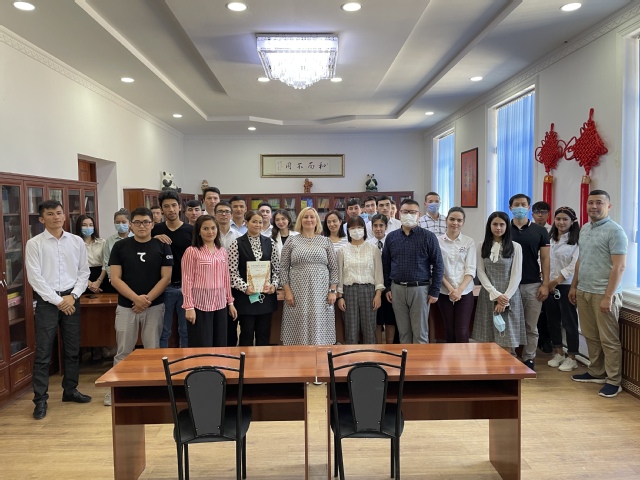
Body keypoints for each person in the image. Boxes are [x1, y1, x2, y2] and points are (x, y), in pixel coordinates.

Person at [26, 200, 91, 419]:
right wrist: (58, 301)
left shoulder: (76, 241)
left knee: (72, 349)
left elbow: (84, 272)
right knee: (44, 352)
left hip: (72, 298)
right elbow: (35, 278)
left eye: (59, 213)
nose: (56, 217)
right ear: (41, 219)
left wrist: (73, 296)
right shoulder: (34, 244)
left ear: (64, 216)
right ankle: (40, 400)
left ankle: (70, 390)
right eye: (50, 214)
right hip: (48, 301)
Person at [106, 207, 173, 406]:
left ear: (153, 224)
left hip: (154, 306)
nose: (141, 226)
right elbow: (115, 278)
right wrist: (136, 299)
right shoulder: (120, 246)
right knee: (123, 351)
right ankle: (117, 389)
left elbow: (166, 278)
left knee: (153, 350)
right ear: (131, 225)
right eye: (137, 222)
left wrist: (146, 300)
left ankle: (154, 389)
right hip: (126, 307)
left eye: (146, 222)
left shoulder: (162, 246)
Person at [569, 190, 627, 398]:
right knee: (591, 336)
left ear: (608, 206)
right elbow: (581, 260)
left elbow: (619, 267)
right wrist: (574, 286)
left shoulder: (615, 231)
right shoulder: (585, 229)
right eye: (590, 202)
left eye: (599, 203)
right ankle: (596, 372)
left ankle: (614, 381)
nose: (594, 206)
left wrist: (608, 296)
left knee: (608, 340)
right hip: (584, 291)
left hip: (603, 294)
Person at [382, 198, 443, 344]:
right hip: (397, 289)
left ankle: (420, 360)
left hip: (420, 289)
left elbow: (438, 265)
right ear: (399, 213)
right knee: (403, 333)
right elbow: (386, 264)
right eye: (405, 212)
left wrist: (435, 290)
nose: (408, 215)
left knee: (420, 333)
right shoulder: (391, 237)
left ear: (419, 215)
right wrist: (388, 287)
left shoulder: (428, 237)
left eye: (412, 212)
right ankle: (406, 359)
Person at [280, 207, 339, 345]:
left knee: (319, 325)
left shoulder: (326, 241)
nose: (309, 220)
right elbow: (283, 268)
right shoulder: (291, 241)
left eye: (312, 217)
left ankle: (320, 355)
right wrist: (287, 292)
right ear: (300, 220)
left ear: (317, 220)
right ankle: (298, 356)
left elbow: (334, 268)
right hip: (297, 292)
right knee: (298, 324)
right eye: (305, 217)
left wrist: (332, 291)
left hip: (321, 293)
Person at [472, 212, 526, 352]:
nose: (498, 228)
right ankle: (489, 365)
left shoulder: (515, 247)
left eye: (502, 224)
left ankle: (507, 364)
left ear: (507, 226)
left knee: (507, 336)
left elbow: (516, 275)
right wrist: (495, 294)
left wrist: (504, 299)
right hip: (488, 294)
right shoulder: (481, 245)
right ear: (489, 226)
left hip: (509, 295)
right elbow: (480, 272)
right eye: (495, 224)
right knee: (487, 336)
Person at [181, 215, 237, 347]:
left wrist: (230, 302)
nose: (210, 232)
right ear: (199, 231)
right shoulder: (192, 251)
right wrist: (189, 307)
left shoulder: (222, 251)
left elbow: (226, 278)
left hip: (220, 304)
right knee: (202, 344)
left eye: (213, 228)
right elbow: (187, 280)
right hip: (200, 305)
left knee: (220, 343)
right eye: (205, 228)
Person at [509, 193, 550, 371]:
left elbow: (546, 259)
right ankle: (510, 356)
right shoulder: (503, 228)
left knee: (531, 326)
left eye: (523, 204)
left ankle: (529, 358)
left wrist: (545, 284)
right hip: (508, 285)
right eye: (516, 204)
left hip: (532, 283)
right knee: (509, 324)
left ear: (528, 207)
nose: (520, 207)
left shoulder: (540, 231)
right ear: (510, 208)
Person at [228, 211, 280, 346]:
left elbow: (276, 269)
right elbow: (231, 272)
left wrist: (274, 285)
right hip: (245, 298)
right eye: (254, 221)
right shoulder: (236, 243)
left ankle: (263, 360)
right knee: (247, 334)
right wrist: (245, 288)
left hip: (266, 296)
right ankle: (245, 360)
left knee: (264, 335)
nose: (257, 225)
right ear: (246, 223)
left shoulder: (270, 242)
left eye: (260, 222)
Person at [152, 190, 194, 348]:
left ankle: (186, 359)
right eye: (166, 206)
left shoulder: (191, 230)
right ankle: (162, 360)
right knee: (163, 331)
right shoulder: (155, 230)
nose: (171, 209)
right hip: (164, 287)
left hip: (187, 287)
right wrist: (153, 239)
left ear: (180, 207)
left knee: (185, 330)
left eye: (174, 205)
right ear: (162, 209)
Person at [336, 216, 384, 345]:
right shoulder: (342, 250)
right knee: (350, 329)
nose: (356, 230)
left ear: (364, 229)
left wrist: (378, 295)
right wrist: (340, 297)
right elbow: (340, 275)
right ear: (348, 230)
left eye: (359, 227)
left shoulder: (373, 249)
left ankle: (370, 356)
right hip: (349, 291)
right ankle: (352, 357)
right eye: (352, 228)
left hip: (369, 291)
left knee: (369, 329)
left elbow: (378, 274)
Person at [544, 206, 580, 372]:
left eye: (565, 219)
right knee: (552, 321)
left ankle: (572, 357)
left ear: (572, 222)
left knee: (569, 322)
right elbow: (543, 259)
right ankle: (558, 353)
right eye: (558, 219)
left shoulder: (577, 241)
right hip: (548, 285)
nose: (561, 222)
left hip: (566, 286)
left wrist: (556, 281)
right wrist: (546, 281)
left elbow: (574, 265)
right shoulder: (550, 239)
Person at [436, 207, 476, 343]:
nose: (455, 223)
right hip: (444, 291)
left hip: (465, 291)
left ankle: (463, 357)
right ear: (446, 220)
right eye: (452, 219)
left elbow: (470, 269)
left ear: (463, 222)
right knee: (449, 329)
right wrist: (450, 289)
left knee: (462, 330)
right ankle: (451, 357)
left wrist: (459, 290)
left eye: (459, 220)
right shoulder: (437, 241)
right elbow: (437, 269)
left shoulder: (468, 242)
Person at [367, 213, 397, 344]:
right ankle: (378, 346)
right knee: (377, 319)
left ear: (386, 227)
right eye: (375, 226)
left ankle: (390, 346)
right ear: (372, 227)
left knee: (390, 318)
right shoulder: (367, 244)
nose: (378, 228)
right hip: (373, 286)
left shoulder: (392, 242)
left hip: (390, 285)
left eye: (381, 225)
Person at [103, 208, 132, 294]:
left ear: (130, 223)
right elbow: (107, 261)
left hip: (133, 279)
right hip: (115, 280)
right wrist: (112, 277)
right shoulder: (110, 240)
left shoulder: (135, 238)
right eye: (117, 222)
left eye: (123, 222)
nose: (120, 224)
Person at [75, 214, 106, 294]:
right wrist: (89, 283)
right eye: (84, 225)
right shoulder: (75, 244)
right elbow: (74, 266)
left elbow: (106, 263)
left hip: (101, 276)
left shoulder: (102, 242)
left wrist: (98, 282)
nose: (88, 227)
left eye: (91, 225)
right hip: (82, 277)